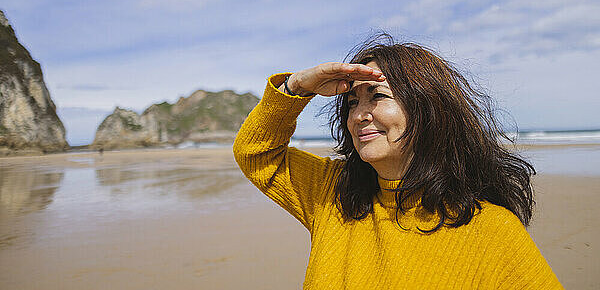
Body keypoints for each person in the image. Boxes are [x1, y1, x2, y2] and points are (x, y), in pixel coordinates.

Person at [233, 35, 564, 289]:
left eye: (377, 96)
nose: (360, 115)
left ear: (428, 110)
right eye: (351, 102)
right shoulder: (333, 193)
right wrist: (296, 87)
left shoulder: (492, 231)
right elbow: (256, 153)